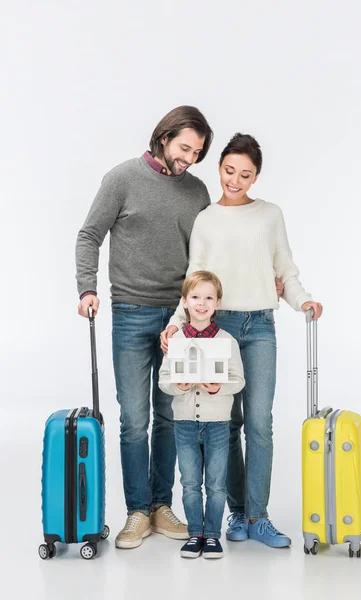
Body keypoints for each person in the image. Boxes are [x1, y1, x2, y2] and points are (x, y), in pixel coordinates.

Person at [161, 133, 323, 548]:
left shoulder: (270, 215)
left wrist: (303, 301)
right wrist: (178, 322)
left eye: (245, 175)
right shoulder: (206, 219)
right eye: (229, 171)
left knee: (260, 424)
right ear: (219, 169)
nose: (235, 180)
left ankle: (258, 517)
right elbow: (195, 278)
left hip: (260, 327)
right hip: (219, 329)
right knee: (227, 423)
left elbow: (285, 271)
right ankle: (235, 514)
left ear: (256, 177)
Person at [75, 106, 214, 549]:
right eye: (184, 147)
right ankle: (136, 512)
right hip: (131, 313)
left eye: (197, 152)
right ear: (164, 137)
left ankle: (160, 505)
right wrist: (86, 289)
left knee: (169, 417)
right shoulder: (122, 179)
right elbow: (89, 235)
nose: (189, 159)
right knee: (134, 420)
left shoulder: (197, 192)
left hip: (179, 319)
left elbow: (208, 254)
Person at [159, 271, 245, 559]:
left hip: (218, 424)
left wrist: (219, 386)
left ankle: (212, 535)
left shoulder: (227, 341)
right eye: (195, 297)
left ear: (217, 303)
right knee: (190, 482)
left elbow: (239, 380)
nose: (201, 303)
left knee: (216, 483)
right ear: (184, 302)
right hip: (184, 424)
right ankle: (195, 533)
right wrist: (177, 386)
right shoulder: (177, 340)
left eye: (209, 298)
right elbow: (163, 379)